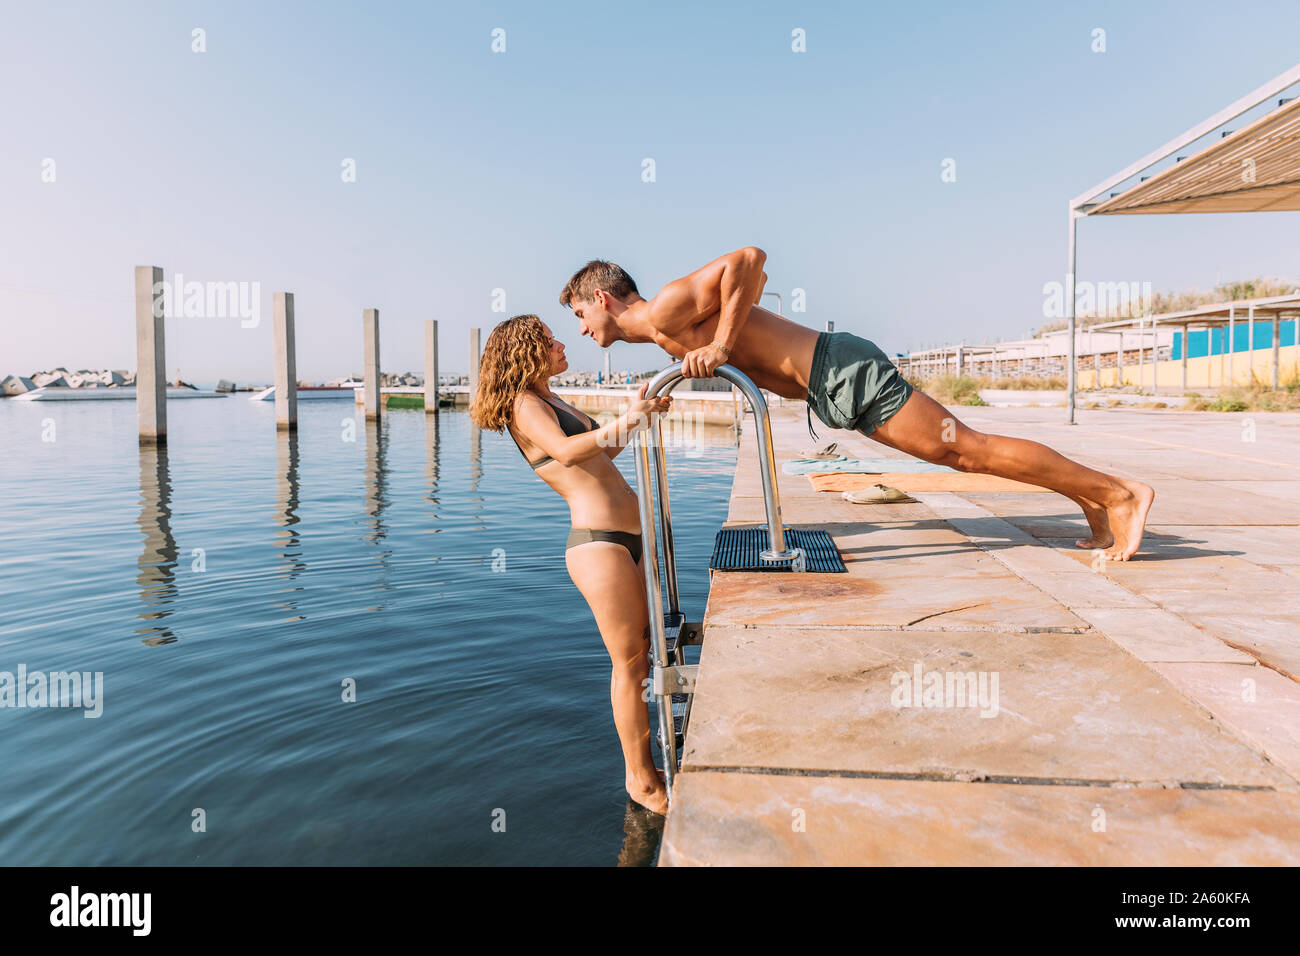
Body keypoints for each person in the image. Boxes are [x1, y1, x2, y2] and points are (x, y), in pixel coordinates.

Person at [559, 248, 1155, 560]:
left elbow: (749, 259)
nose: (583, 331)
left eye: (580, 315)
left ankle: (1119, 493)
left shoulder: (664, 309)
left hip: (839, 368)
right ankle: (1095, 500)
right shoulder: (663, 333)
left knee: (966, 453)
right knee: (961, 455)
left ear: (604, 299)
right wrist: (667, 385)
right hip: (831, 382)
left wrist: (718, 344)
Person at [468, 313, 673, 814]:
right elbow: (563, 449)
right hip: (598, 544)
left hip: (627, 538)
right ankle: (641, 782)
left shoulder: (552, 398)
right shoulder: (523, 404)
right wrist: (624, 421)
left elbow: (602, 453)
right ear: (526, 350)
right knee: (628, 665)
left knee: (643, 657)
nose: (563, 344)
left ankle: (652, 765)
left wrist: (636, 415)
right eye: (549, 340)